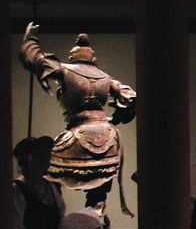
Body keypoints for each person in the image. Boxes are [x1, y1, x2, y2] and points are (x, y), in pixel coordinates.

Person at [18, 24, 136, 214]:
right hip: (108, 139)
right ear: (92, 58)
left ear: (73, 56)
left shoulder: (65, 70)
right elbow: (132, 99)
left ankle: (49, 215)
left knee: (44, 169)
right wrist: (115, 120)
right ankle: (95, 221)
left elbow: (34, 58)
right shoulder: (106, 78)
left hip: (77, 137)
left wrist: (30, 39)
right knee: (99, 191)